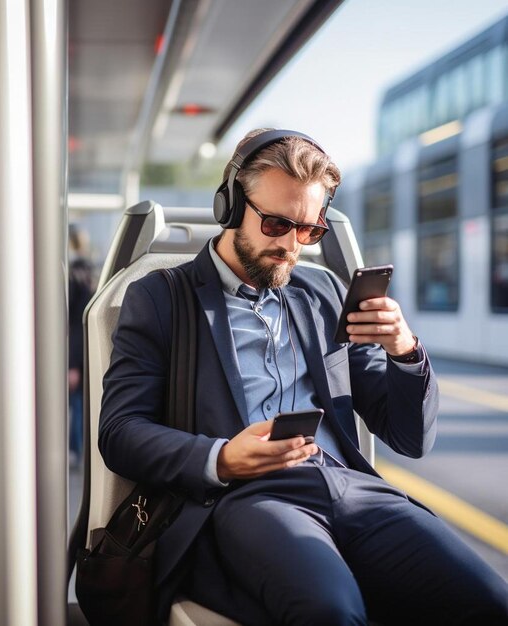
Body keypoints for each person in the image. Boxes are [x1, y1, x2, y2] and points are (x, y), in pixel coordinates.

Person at [99, 129, 508, 624]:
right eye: (275, 224)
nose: (292, 245)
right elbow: (120, 432)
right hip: (245, 498)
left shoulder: (324, 293)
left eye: (310, 230)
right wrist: (223, 458)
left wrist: (404, 350)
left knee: (488, 603)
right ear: (228, 206)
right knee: (330, 613)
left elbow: (410, 437)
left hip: (351, 488)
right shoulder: (161, 298)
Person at [68, 224, 95, 467]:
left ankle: (76, 451)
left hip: (75, 351)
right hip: (84, 348)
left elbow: (74, 321)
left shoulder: (74, 274)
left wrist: (72, 363)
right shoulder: (88, 270)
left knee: (76, 404)